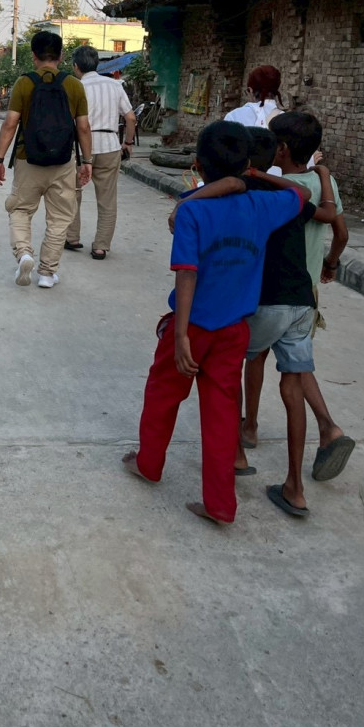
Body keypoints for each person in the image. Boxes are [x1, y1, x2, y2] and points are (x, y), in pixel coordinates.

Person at [122, 121, 311, 525]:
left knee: (162, 396)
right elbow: (303, 194)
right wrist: (252, 177)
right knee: (223, 414)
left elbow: (186, 274)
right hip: (233, 330)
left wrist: (180, 335)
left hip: (191, 326)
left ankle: (149, 464)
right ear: (246, 164)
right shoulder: (261, 206)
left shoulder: (193, 210)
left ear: (197, 165)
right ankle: (221, 504)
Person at [177, 127, 338, 517]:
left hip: (265, 303)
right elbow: (324, 212)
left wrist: (196, 199)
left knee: (228, 369)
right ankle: (295, 488)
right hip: (301, 301)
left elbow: (217, 194)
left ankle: (238, 452)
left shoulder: (242, 194)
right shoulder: (285, 196)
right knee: (293, 387)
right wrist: (319, 175)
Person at [241, 111, 354, 482]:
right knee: (296, 365)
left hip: (270, 288)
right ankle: (327, 428)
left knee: (255, 356)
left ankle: (250, 427)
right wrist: (331, 264)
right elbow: (340, 232)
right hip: (306, 292)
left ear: (282, 149)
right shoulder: (324, 182)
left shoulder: (275, 187)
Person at [0, 30, 92, 289]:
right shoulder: (74, 85)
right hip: (63, 161)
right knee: (60, 218)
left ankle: (24, 253)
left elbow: (10, 123)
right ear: (60, 55)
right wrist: (87, 162)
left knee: (20, 210)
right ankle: (47, 273)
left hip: (28, 159)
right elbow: (83, 127)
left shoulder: (24, 83)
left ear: (34, 55)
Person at [65, 45, 136, 261]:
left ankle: (72, 237)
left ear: (76, 66)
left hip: (80, 148)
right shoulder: (115, 85)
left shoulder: (75, 87)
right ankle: (101, 246)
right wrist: (128, 143)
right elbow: (130, 118)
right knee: (107, 198)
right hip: (110, 145)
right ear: (97, 64)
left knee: (73, 192)